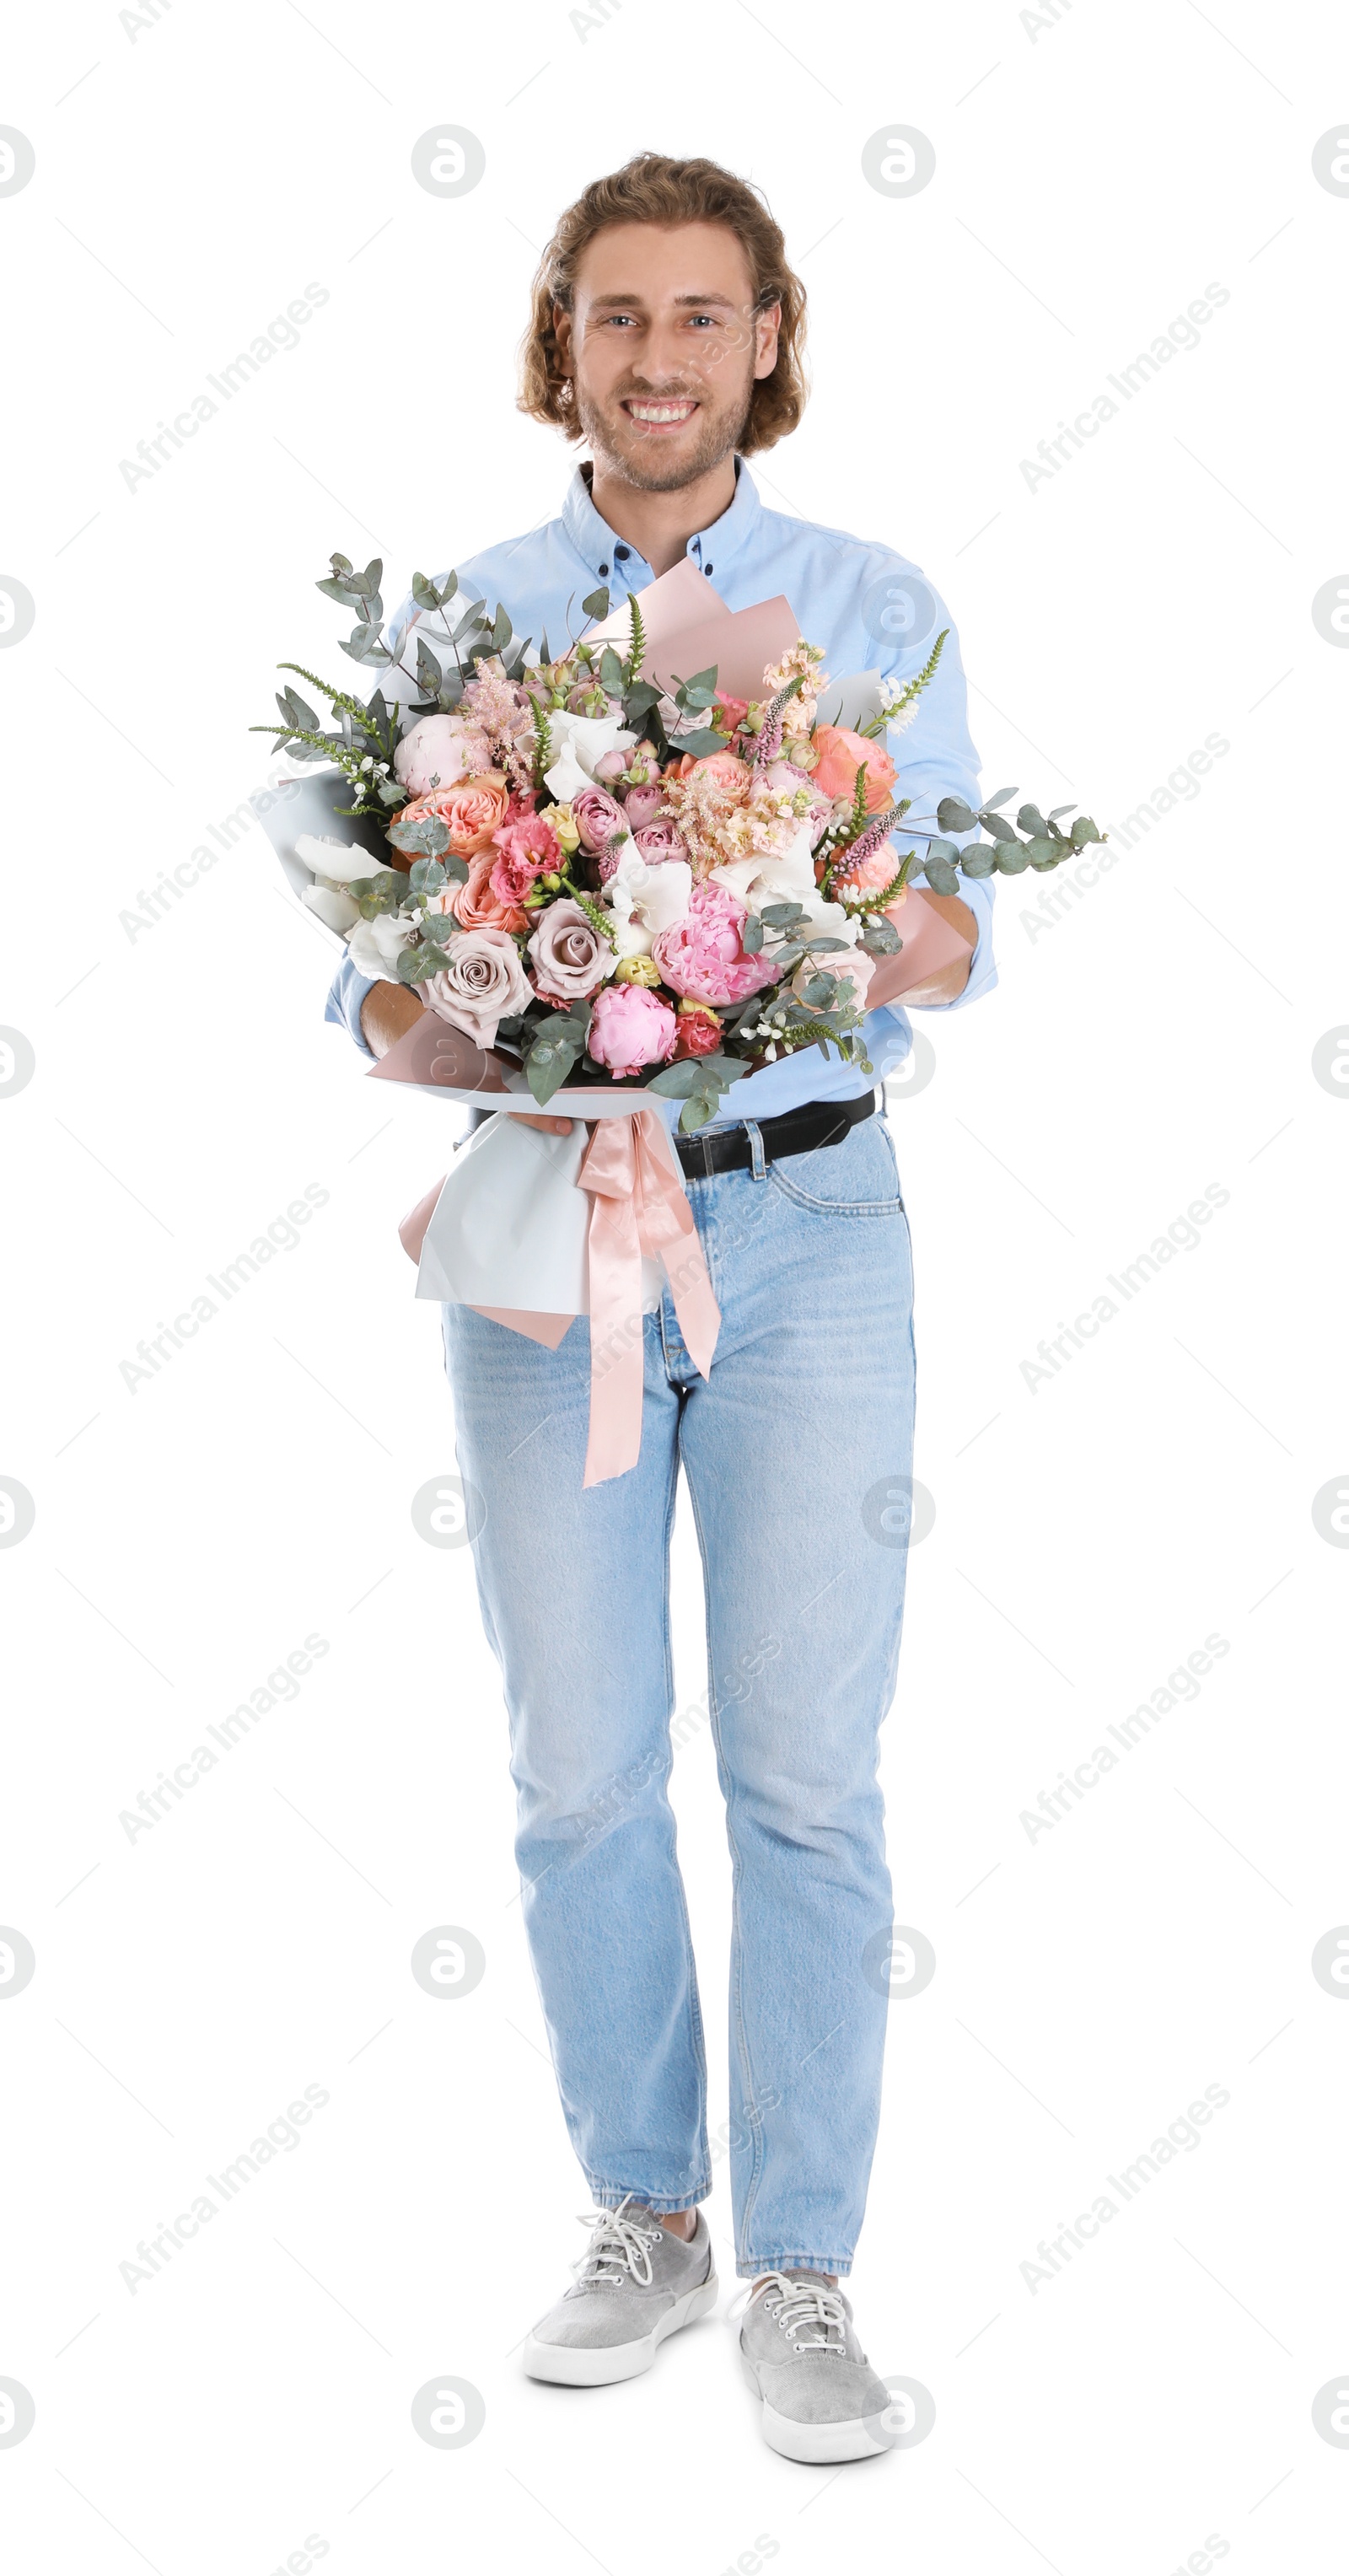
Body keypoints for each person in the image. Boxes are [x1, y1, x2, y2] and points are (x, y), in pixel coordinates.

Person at [325, 153, 996, 2465]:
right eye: (619, 318)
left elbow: (957, 936)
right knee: (580, 1768)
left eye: (703, 318)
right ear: (564, 344)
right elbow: (380, 1000)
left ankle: (803, 2270)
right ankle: (648, 2213)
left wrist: (764, 929)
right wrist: (522, 984)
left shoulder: (872, 606)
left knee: (806, 1779)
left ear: (768, 341)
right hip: (546, 1234)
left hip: (813, 1243)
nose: (662, 361)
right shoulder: (469, 634)